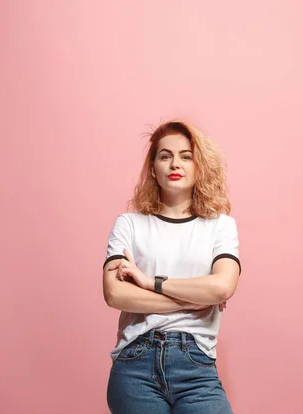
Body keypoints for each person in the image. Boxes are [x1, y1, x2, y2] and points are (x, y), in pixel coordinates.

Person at [102, 120, 241, 413]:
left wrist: (151, 282)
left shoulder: (220, 226)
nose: (174, 163)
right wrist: (194, 300)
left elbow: (223, 286)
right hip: (135, 363)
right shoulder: (129, 224)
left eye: (185, 155)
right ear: (153, 168)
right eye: (165, 156)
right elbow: (115, 295)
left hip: (197, 364)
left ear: (198, 165)